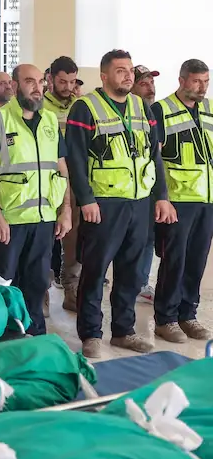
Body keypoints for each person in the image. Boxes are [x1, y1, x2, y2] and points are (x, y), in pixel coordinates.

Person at [65, 49, 176, 358]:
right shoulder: (85, 108)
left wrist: (161, 197)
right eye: (120, 70)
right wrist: (85, 200)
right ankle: (91, 334)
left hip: (139, 202)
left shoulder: (143, 108)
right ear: (104, 76)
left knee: (130, 272)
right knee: (95, 271)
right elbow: (74, 158)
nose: (128, 75)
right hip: (104, 203)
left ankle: (123, 331)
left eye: (129, 70)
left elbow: (154, 156)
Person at [0, 64, 72, 335]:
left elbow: (62, 167)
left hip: (44, 219)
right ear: (15, 86)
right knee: (3, 282)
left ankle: (34, 334)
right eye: (29, 81)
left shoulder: (50, 121)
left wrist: (65, 211)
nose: (37, 87)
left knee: (37, 282)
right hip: (10, 220)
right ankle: (2, 335)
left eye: (40, 82)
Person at [151, 59, 213, 343]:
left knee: (197, 261)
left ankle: (188, 314)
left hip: (207, 200)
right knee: (174, 261)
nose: (202, 87)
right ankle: (166, 319)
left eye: (206, 81)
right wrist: (161, 198)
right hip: (177, 200)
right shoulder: (161, 110)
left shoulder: (210, 109)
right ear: (182, 80)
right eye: (197, 81)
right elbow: (154, 159)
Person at [43, 56, 81, 309]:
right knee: (44, 240)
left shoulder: (82, 106)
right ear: (50, 79)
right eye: (62, 81)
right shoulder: (39, 106)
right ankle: (42, 291)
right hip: (45, 181)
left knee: (75, 239)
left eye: (71, 81)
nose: (67, 87)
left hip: (74, 180)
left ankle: (71, 290)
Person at [131, 65, 162, 306]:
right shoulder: (130, 113)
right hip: (122, 191)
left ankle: (140, 282)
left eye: (151, 83)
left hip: (151, 187)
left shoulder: (157, 111)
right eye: (144, 83)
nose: (150, 88)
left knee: (149, 238)